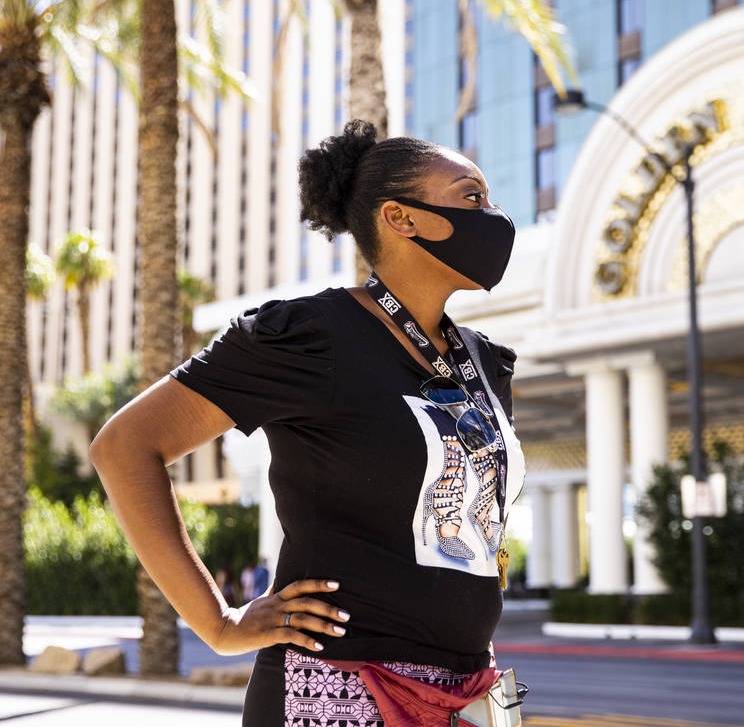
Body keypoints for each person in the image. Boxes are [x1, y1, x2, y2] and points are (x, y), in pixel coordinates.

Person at [89, 120, 525, 725]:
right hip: (339, 691)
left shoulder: (486, 363)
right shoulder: (311, 336)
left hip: (470, 692)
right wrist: (219, 623)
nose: (495, 217)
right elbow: (124, 445)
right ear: (401, 218)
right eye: (472, 197)